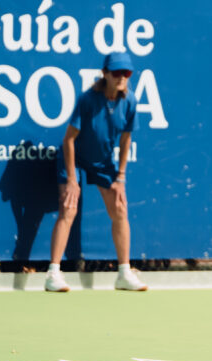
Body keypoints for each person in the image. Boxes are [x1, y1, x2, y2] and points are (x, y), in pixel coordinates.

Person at [44, 52, 147, 292]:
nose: (122, 77)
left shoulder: (130, 102)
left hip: (103, 162)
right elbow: (68, 140)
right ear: (106, 74)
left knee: (120, 208)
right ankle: (53, 274)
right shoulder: (88, 100)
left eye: (127, 73)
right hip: (75, 159)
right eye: (117, 72)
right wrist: (71, 179)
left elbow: (125, 141)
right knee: (68, 208)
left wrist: (120, 177)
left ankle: (123, 273)